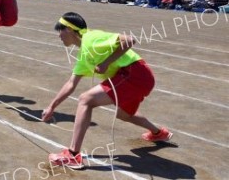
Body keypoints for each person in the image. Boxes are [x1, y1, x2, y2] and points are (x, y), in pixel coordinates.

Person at [42, 12, 172, 169]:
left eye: (60, 31)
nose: (59, 36)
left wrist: (105, 62)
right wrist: (52, 106)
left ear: (69, 29)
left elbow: (129, 40)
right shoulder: (83, 54)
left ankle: (73, 155)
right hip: (137, 77)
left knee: (86, 99)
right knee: (124, 115)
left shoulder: (92, 38)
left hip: (134, 74)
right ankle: (159, 133)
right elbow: (71, 83)